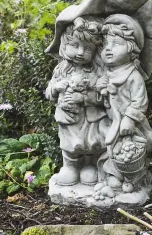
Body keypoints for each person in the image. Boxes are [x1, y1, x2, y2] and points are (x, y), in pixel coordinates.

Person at [95, 14, 152, 194]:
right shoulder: (108, 73)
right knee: (113, 150)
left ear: (132, 50)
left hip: (131, 125)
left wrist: (130, 118)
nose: (108, 49)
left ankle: (133, 179)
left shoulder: (133, 76)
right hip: (113, 123)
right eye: (106, 45)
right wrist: (102, 89)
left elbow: (140, 100)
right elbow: (106, 100)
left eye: (116, 44)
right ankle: (114, 176)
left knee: (131, 150)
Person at [45, 17, 110, 186]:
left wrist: (83, 97)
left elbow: (103, 97)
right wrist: (55, 88)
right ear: (65, 45)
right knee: (69, 144)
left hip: (90, 118)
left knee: (91, 143)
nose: (81, 52)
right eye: (75, 45)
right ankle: (71, 167)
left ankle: (90, 165)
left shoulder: (98, 72)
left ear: (96, 51)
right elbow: (49, 92)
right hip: (68, 118)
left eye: (87, 48)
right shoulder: (61, 69)